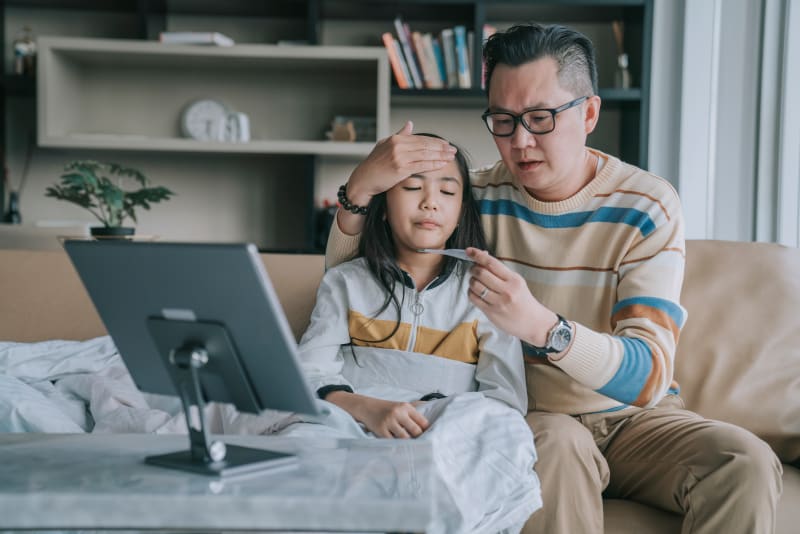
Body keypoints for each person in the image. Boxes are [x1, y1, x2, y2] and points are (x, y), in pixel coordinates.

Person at [325, 23, 783, 534]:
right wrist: (360, 188)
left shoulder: (646, 205)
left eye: (540, 118)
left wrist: (544, 327)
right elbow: (355, 281)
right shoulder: (472, 197)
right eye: (503, 120)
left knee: (745, 462)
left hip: (634, 419)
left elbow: (649, 374)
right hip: (537, 419)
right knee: (558, 446)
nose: (520, 142)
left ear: (588, 113)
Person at [281, 133, 541, 534]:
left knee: (503, 430)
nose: (430, 202)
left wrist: (425, 415)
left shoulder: (487, 291)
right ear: (383, 208)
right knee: (301, 436)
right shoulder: (346, 282)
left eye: (447, 191)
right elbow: (309, 375)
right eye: (413, 187)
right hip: (355, 425)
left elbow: (504, 400)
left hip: (442, 431)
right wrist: (370, 409)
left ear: (460, 212)